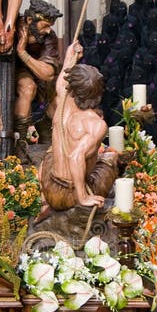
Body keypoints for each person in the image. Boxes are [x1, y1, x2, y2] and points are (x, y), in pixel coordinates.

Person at [38, 40, 119, 214]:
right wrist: (82, 196)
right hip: (70, 196)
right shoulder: (96, 124)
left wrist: (70, 56)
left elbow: (62, 83)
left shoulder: (63, 102)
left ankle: (45, 200)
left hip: (50, 185)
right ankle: (81, 196)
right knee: (111, 158)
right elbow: (76, 156)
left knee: (52, 152)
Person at [0, 0, 62, 158]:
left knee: (52, 117)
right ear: (30, 20)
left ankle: (51, 152)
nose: (48, 31)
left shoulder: (48, 37)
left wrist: (22, 52)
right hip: (14, 72)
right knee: (28, 88)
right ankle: (20, 144)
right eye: (45, 25)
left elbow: (48, 73)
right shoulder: (10, 26)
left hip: (44, 82)